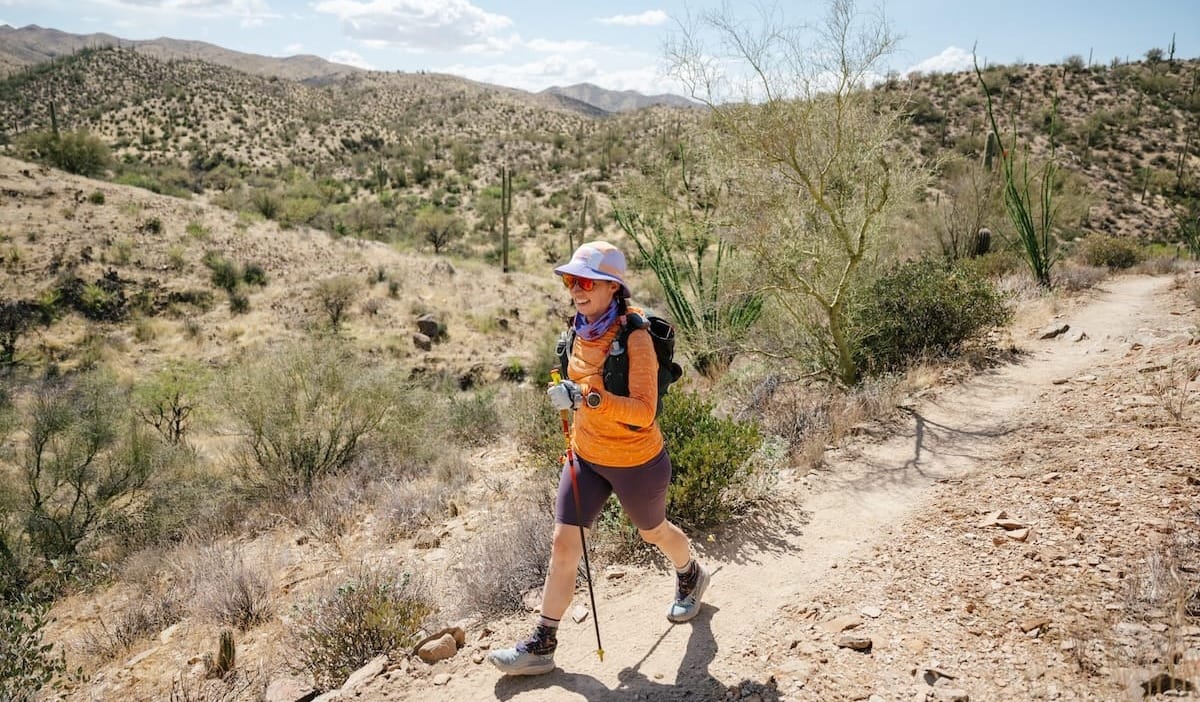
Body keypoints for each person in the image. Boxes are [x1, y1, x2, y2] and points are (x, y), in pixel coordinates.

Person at [488, 241, 711, 676]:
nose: (576, 289)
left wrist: (589, 397)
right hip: (587, 457)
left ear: (613, 287)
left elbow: (644, 411)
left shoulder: (636, 338)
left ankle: (690, 573)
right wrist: (568, 399)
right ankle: (543, 643)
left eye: (587, 281)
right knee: (563, 544)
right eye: (572, 281)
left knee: (654, 533)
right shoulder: (577, 328)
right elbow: (580, 390)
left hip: (637, 461)